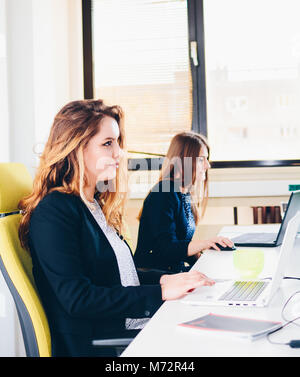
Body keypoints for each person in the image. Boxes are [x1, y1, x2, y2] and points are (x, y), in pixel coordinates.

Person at [18, 100, 214, 357]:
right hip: (102, 344)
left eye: (118, 142)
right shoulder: (54, 210)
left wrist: (165, 279)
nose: (119, 153)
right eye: (107, 143)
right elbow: (78, 299)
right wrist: (161, 292)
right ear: (76, 148)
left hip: (124, 328)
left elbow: (118, 276)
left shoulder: (93, 204)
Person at [134, 131, 234, 273]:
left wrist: (204, 260)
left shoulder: (184, 192)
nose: (207, 165)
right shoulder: (163, 193)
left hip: (173, 271)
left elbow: (181, 246)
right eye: (201, 159)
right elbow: (166, 249)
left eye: (207, 159)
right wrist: (205, 243)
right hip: (154, 276)